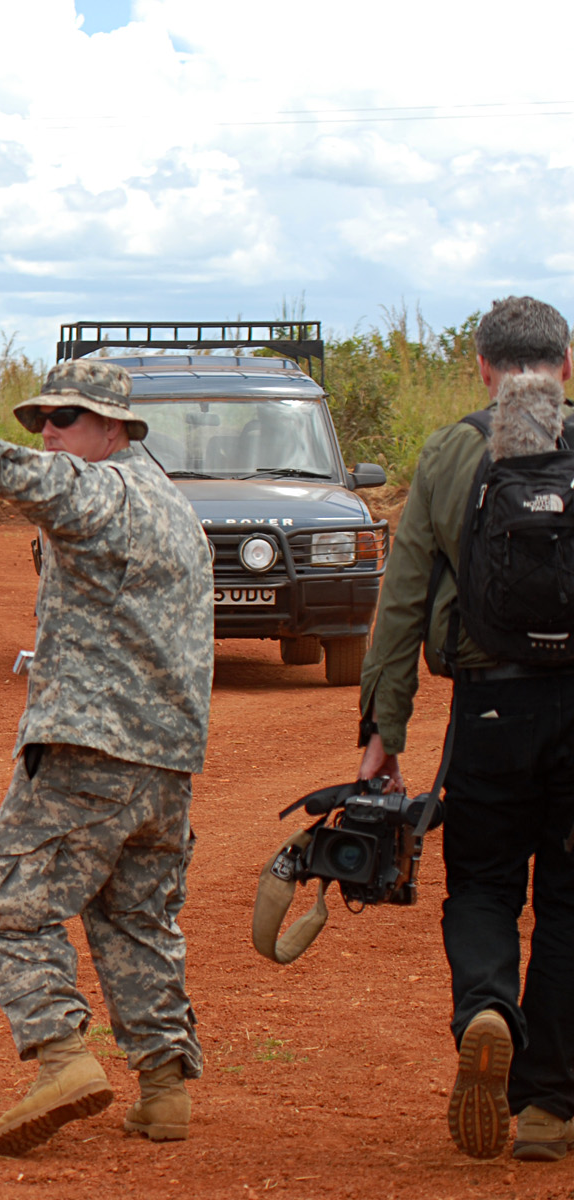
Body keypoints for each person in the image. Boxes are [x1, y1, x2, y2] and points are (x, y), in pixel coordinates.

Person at [0, 360, 213, 1157]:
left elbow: (59, 488)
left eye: (66, 417)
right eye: (40, 418)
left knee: (9, 907)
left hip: (92, 748)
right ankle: (163, 1090)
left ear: (115, 428)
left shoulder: (108, 491)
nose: (47, 429)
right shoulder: (176, 507)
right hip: (167, 762)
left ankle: (61, 1057)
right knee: (137, 917)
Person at [355, 295, 574, 1163]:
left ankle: (487, 1007)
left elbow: (402, 598)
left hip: (487, 710)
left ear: (483, 367)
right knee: (567, 901)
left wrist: (384, 727)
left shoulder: (453, 451)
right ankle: (552, 1107)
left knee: (483, 885)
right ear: (564, 364)